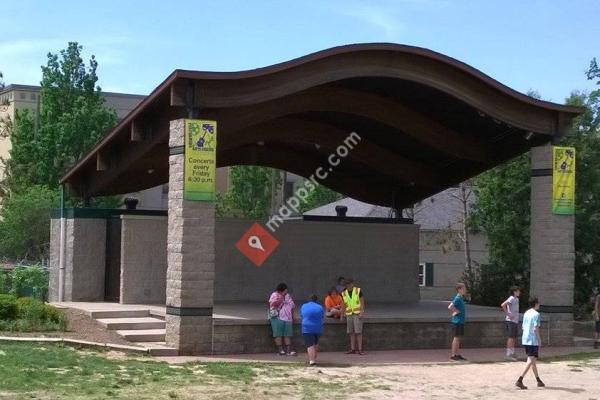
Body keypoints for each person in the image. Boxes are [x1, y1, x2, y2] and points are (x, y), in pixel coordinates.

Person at [516, 297, 545, 389]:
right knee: (531, 360)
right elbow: (536, 328)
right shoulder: (536, 314)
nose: (539, 304)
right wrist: (539, 339)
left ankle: (538, 380)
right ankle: (520, 379)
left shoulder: (526, 313)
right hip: (533, 340)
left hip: (525, 338)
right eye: (538, 303)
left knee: (532, 360)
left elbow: (523, 327)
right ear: (535, 303)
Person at [268, 283, 297, 356]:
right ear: (283, 289)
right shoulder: (274, 295)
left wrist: (293, 316)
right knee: (278, 334)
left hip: (288, 318)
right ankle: (280, 351)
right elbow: (272, 304)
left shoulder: (288, 296)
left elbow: (292, 306)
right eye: (286, 289)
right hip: (277, 317)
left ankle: (288, 351)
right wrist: (281, 298)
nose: (287, 290)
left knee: (287, 334)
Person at [340, 278, 365, 355]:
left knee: (358, 332)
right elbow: (343, 304)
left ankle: (360, 349)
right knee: (351, 332)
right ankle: (352, 349)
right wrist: (342, 314)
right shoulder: (343, 293)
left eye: (350, 284)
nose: (349, 286)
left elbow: (362, 302)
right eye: (347, 285)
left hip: (357, 313)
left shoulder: (358, 291)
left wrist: (361, 312)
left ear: (352, 284)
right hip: (349, 314)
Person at [300, 294, 324, 366]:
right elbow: (322, 316)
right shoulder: (320, 307)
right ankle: (314, 357)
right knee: (315, 343)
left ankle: (312, 361)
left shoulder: (304, 306)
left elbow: (302, 315)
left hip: (307, 328)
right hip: (318, 328)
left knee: (309, 344)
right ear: (316, 300)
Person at [448, 282, 467, 361]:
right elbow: (450, 306)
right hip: (457, 321)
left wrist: (455, 311)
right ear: (459, 289)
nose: (465, 290)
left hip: (460, 321)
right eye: (464, 288)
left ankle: (457, 354)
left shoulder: (460, 298)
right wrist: (455, 311)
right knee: (456, 338)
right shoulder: (457, 298)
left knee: (458, 338)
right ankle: (453, 355)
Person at [501, 286, 521, 361]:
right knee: (510, 337)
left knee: (513, 337)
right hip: (510, 321)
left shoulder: (517, 299)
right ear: (514, 292)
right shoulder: (511, 298)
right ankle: (508, 354)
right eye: (518, 291)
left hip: (515, 321)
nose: (519, 292)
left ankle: (512, 352)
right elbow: (503, 305)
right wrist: (508, 314)